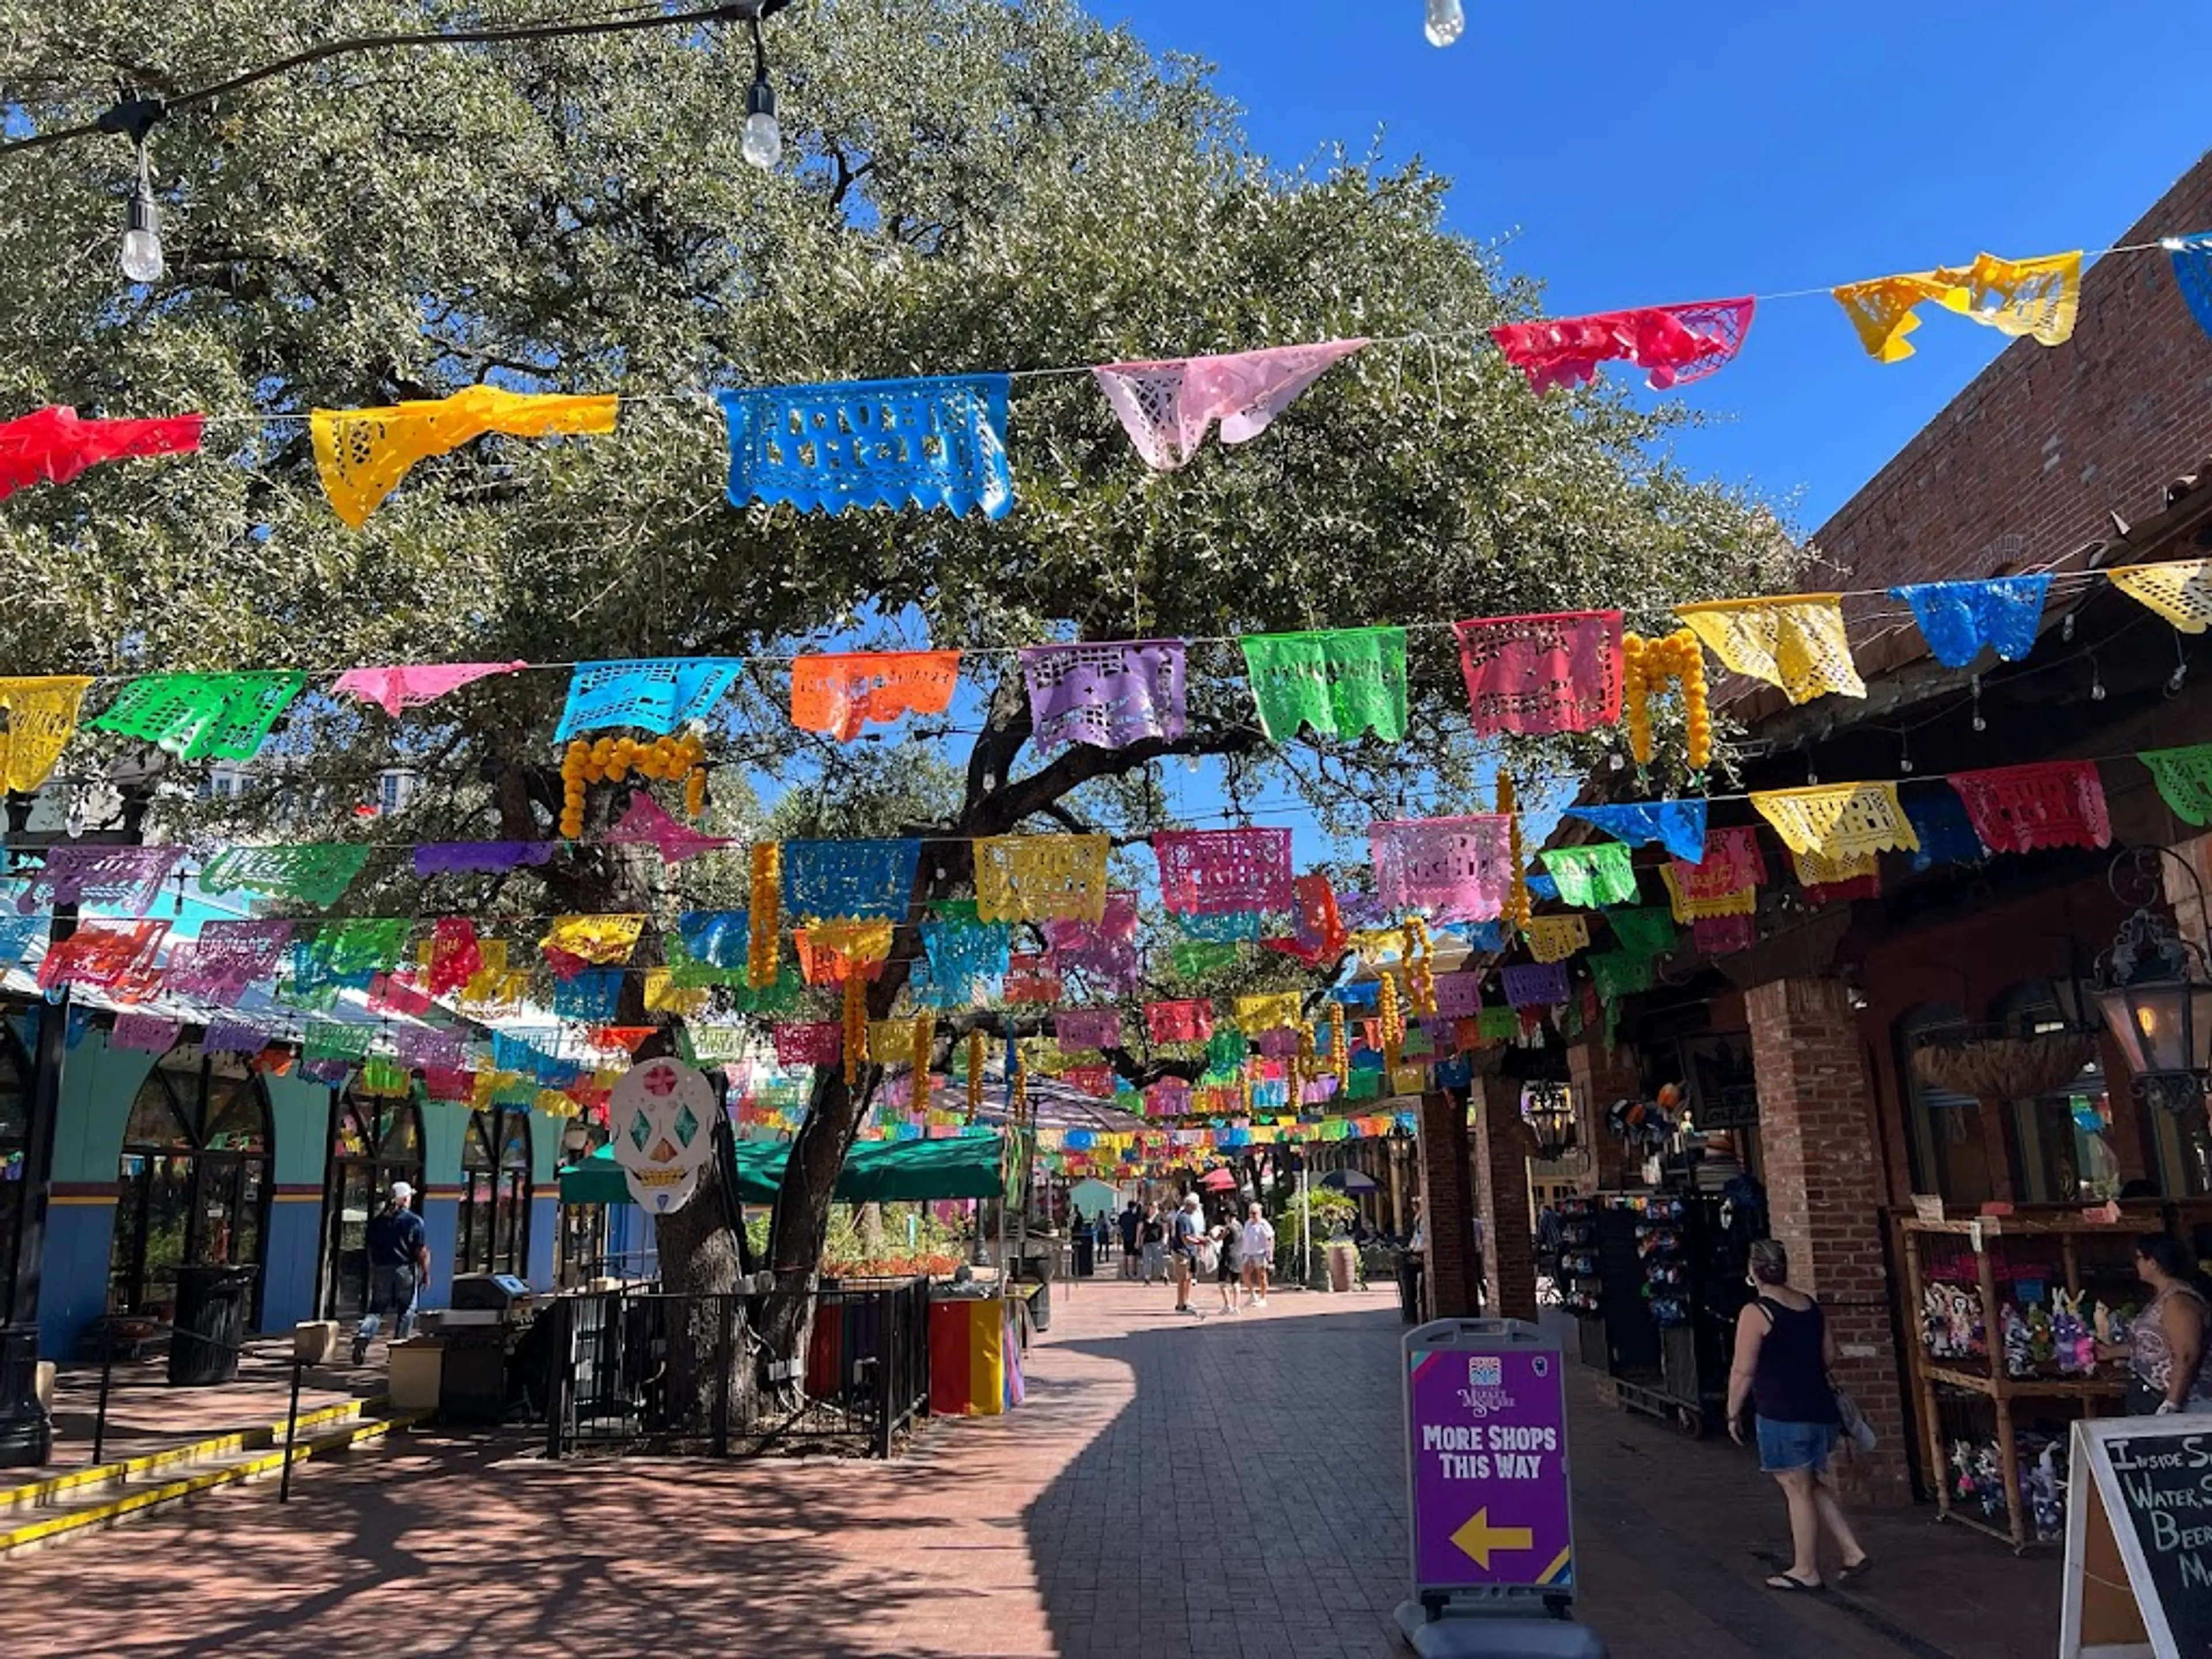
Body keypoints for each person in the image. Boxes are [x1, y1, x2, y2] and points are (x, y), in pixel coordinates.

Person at [1725, 1238, 1869, 1593]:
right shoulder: (1809, 1305)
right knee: (1809, 1482)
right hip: (1820, 1409)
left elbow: (1743, 1370)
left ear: (1754, 1271)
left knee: (1796, 1488)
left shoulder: (1756, 1313)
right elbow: (1830, 1356)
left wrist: (1731, 1412)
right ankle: (1852, 1550)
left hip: (1782, 1412)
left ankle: (1806, 1569)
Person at [2097, 1233, 2212, 1414]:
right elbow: (2157, 1345)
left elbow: (2187, 1355)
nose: (2137, 1264)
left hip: (2181, 1399)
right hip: (2151, 1394)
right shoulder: (2163, 1297)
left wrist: (2171, 1403)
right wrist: (2112, 1352)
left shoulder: (2178, 1302)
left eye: (2139, 1257)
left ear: (2154, 1262)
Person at [353, 1180, 430, 1365]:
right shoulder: (414, 1221)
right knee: (407, 1310)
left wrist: (374, 1269)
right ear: (404, 1199)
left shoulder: (377, 1222)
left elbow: (370, 1249)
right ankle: (398, 1350)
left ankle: (364, 1335)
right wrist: (426, 1272)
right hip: (405, 1270)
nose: (411, 1200)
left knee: (376, 1309)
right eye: (409, 1197)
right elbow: (421, 1250)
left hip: (382, 1268)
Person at [1171, 1192, 1206, 1317]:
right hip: (1182, 1252)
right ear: (1190, 1205)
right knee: (1183, 1279)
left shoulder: (1186, 1217)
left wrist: (1200, 1240)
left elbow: (1191, 1235)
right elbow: (1185, 1238)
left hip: (1187, 1251)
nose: (1196, 1209)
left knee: (1187, 1278)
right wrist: (1200, 1242)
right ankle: (1181, 1304)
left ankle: (1185, 1301)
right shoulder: (1184, 1218)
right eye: (1195, 1207)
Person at [1240, 1202, 1276, 1308]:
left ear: (1260, 1213)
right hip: (1248, 1253)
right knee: (1245, 1275)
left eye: (1255, 1213)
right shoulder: (1247, 1224)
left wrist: (1270, 1253)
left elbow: (1271, 1238)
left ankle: (1263, 1298)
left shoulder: (1263, 1224)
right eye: (1251, 1213)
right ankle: (1252, 1295)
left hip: (1260, 1253)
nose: (1253, 1215)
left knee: (1262, 1276)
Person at [1210, 1207, 1241, 1315]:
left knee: (1222, 1282)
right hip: (1238, 1256)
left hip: (1228, 1256)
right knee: (1236, 1282)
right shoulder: (1240, 1226)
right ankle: (1236, 1306)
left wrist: (1212, 1236)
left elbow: (1218, 1238)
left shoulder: (1228, 1228)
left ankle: (1228, 1305)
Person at [1138, 1202, 1166, 1285]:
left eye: (1155, 1207)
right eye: (1151, 1207)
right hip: (1147, 1241)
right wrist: (1138, 1240)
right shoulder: (1145, 1216)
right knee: (1147, 1260)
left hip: (1157, 1241)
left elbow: (1165, 1229)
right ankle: (1147, 1278)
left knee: (1159, 1260)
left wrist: (1165, 1239)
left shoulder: (1161, 1216)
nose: (1153, 1209)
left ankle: (1164, 1275)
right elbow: (1140, 1229)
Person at [1119, 1201, 1142, 1281]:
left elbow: (1120, 1226)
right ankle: (1134, 1272)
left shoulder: (1123, 1215)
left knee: (1126, 1255)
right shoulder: (1135, 1216)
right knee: (1134, 1256)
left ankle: (1126, 1273)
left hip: (1126, 1237)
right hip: (1134, 1237)